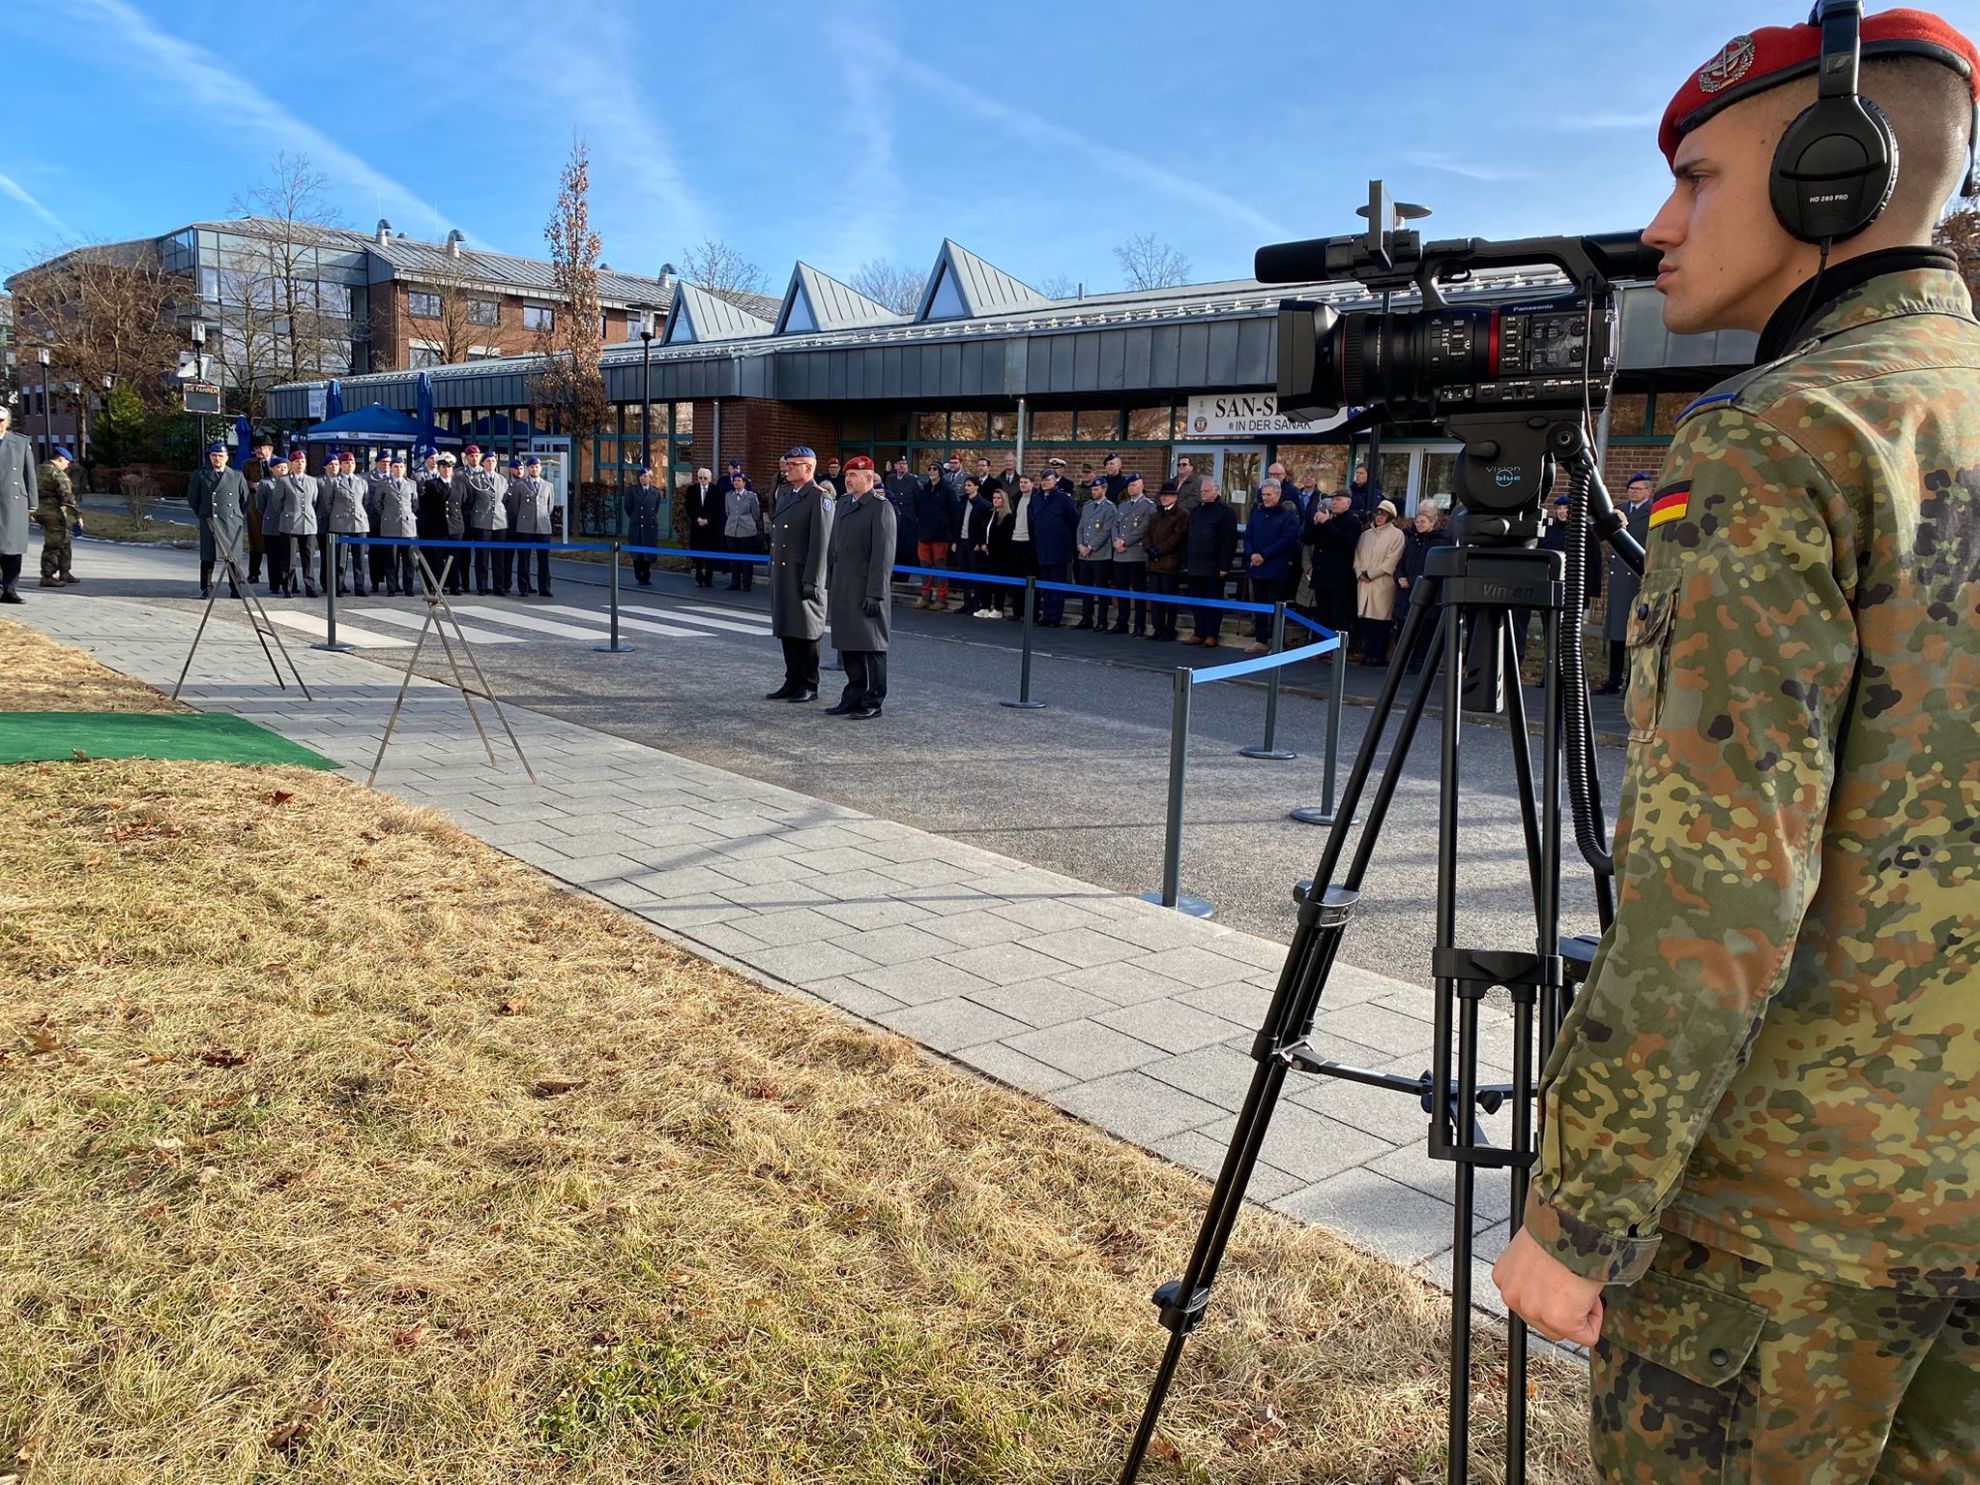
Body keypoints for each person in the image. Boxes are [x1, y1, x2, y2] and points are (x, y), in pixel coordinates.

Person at [1490, 13, 1980, 1483]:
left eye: (1696, 179)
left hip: (1785, 1239)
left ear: (1833, 173)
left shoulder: (1785, 436)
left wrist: (1577, 1213)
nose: (1658, 227)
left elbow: (1721, 890)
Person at [825, 456, 895, 719]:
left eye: (853, 475)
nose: (848, 479)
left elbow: (883, 555)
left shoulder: (880, 508)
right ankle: (853, 694)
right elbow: (834, 545)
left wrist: (876, 592)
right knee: (848, 643)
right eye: (847, 475)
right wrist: (831, 580)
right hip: (844, 584)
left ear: (869, 478)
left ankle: (873, 700)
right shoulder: (844, 503)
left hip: (866, 587)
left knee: (872, 645)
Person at [766, 446, 831, 702]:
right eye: (787, 464)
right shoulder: (786, 494)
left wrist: (813, 579)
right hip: (785, 573)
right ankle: (792, 679)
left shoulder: (819, 498)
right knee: (787, 627)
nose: (787, 469)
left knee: (806, 630)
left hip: (803, 574)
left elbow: (821, 544)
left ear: (809, 467)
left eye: (793, 465)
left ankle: (808, 683)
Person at [1593, 473, 1654, 694]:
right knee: (1617, 632)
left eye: (1638, 489)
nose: (1633, 492)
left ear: (1648, 491)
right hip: (1618, 576)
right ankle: (1614, 678)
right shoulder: (1619, 511)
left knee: (1635, 631)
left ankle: (1632, 682)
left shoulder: (1653, 513)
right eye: (1631, 489)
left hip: (1637, 576)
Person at [1240, 477, 1301, 653]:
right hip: (1256, 566)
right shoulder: (1257, 512)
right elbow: (1248, 535)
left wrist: (1264, 555)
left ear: (1278, 495)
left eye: (1269, 495)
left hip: (1276, 568)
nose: (1265, 498)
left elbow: (1287, 539)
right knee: (1259, 606)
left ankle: (1276, 642)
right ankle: (1260, 640)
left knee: (1276, 607)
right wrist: (1252, 553)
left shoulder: (1288, 515)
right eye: (1263, 494)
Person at [186, 441, 252, 598]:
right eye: (214, 455)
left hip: (231, 522)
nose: (217, 459)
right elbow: (193, 499)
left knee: (232, 557)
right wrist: (204, 513)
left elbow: (245, 499)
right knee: (208, 556)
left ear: (227, 457)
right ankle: (206, 588)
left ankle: (236, 588)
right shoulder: (201, 475)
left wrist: (236, 515)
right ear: (210, 457)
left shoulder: (237, 476)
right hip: (210, 521)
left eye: (221, 456)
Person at [1395, 502, 1452, 674]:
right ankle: (1407, 662)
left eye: (1423, 522)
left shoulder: (1440, 542)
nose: (1419, 524)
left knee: (1424, 631)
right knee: (1406, 629)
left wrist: (1412, 580)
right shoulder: (1412, 541)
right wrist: (1399, 577)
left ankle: (1420, 663)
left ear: (1432, 522)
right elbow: (1402, 562)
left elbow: (1434, 569)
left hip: (1427, 593)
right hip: (1407, 593)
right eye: (1417, 521)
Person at [1181, 477, 1236, 647]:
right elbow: (1188, 536)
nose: (1203, 494)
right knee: (1196, 601)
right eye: (1202, 491)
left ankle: (1212, 634)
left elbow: (1229, 541)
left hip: (1214, 566)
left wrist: (1224, 566)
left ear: (1216, 491)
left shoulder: (1225, 512)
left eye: (1206, 491)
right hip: (1195, 564)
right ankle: (1199, 632)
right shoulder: (1196, 511)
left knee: (1213, 601)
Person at [1305, 491, 1362, 652]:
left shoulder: (1352, 521)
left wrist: (1327, 523)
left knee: (1339, 616)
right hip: (1322, 576)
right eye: (1333, 500)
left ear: (1348, 503)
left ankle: (1339, 649)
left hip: (1339, 579)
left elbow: (1346, 542)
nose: (1334, 502)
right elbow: (1307, 539)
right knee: (1321, 614)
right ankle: (1320, 647)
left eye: (1338, 499)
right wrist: (1315, 523)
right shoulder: (1328, 519)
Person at [1352, 499, 1405, 665]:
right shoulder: (1365, 535)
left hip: (1383, 584)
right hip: (1364, 583)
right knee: (1367, 620)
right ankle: (1368, 653)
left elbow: (1392, 560)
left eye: (1383, 514)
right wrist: (1359, 573)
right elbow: (1357, 556)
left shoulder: (1397, 535)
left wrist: (1372, 574)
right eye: (1378, 514)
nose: (1379, 517)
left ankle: (1379, 655)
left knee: (1381, 621)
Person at [267, 448, 320, 598]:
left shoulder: (312, 481)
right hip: (289, 523)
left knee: (308, 558)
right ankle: (288, 587)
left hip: (308, 524)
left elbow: (314, 501)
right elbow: (277, 502)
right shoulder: (284, 481)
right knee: (289, 559)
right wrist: (287, 514)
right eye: (296, 462)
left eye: (302, 461)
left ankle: (310, 587)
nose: (300, 464)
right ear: (291, 464)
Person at [1029, 467, 1078, 627]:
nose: (1045, 483)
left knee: (1057, 585)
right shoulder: (1036, 499)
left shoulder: (1063, 500)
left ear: (1055, 481)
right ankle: (1047, 615)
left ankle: (1055, 617)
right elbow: (1033, 522)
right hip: (1043, 549)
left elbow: (1073, 522)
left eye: (1048, 480)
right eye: (1043, 480)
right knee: (1045, 585)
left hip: (1059, 549)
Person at [320, 449, 372, 597]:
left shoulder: (361, 482)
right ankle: (338, 587)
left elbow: (366, 501)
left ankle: (359, 587)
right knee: (340, 560)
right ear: (341, 465)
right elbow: (327, 503)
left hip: (359, 523)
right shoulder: (334, 482)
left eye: (352, 463)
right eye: (346, 463)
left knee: (359, 559)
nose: (350, 465)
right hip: (340, 523)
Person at [1144, 479, 1188, 641]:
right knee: (1156, 598)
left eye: (1168, 495)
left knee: (1169, 598)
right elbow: (1147, 534)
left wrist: (1158, 550)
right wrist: (1149, 548)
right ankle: (1158, 628)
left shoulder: (1181, 514)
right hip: (1154, 563)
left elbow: (1177, 537)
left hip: (1170, 563)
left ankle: (1169, 629)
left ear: (1175, 497)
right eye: (1163, 495)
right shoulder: (1156, 515)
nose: (1164, 498)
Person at [1111, 472, 1154, 635]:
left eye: (1134, 485)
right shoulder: (1122, 505)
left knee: (1138, 590)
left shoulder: (1148, 505)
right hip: (1120, 554)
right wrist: (1116, 541)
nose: (1131, 488)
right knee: (1121, 590)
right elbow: (1115, 525)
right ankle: (1121, 621)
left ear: (1142, 486)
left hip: (1135, 553)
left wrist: (1125, 541)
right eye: (1129, 485)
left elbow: (1144, 528)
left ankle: (1139, 625)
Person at [912, 463, 959, 609]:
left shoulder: (947, 490)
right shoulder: (925, 489)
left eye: (934, 469)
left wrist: (953, 536)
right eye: (929, 469)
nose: (931, 471)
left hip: (940, 536)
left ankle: (941, 598)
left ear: (940, 472)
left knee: (940, 566)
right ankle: (925, 596)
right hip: (924, 534)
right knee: (924, 566)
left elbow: (955, 514)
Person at [372, 455, 420, 596]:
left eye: (401, 467)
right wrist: (386, 515)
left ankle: (408, 588)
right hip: (390, 526)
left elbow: (415, 504)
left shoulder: (411, 484)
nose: (399, 469)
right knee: (391, 560)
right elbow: (377, 502)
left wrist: (408, 515)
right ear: (391, 469)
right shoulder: (383, 484)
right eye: (396, 467)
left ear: (404, 469)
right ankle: (392, 587)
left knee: (409, 560)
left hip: (407, 527)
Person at [509, 455, 556, 597]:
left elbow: (550, 507)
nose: (534, 469)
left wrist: (542, 518)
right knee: (524, 558)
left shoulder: (548, 486)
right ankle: (524, 587)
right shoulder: (520, 485)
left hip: (543, 527)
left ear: (540, 468)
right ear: (527, 468)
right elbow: (514, 508)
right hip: (525, 526)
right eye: (531, 467)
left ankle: (545, 587)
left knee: (544, 559)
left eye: (536, 467)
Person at [34, 447, 81, 588]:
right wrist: (77, 515)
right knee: (54, 544)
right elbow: (67, 497)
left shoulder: (37, 469)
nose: (68, 465)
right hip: (53, 512)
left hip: (38, 510)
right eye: (67, 462)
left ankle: (65, 572)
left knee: (64, 539)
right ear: (60, 458)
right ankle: (48, 576)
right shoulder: (58, 474)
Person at [1074, 475, 1116, 629]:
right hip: (1084, 555)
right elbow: (1080, 528)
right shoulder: (1087, 506)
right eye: (1092, 489)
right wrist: (1080, 545)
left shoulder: (1110, 508)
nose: (1093, 492)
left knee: (1101, 589)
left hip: (1100, 555)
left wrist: (1090, 547)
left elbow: (1106, 532)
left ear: (1104, 489)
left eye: (1096, 489)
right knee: (1086, 589)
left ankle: (1102, 620)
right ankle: (1086, 618)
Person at [957, 475, 995, 616]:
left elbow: (983, 527)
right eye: (966, 485)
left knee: (975, 574)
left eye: (970, 485)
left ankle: (976, 603)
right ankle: (966, 602)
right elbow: (958, 522)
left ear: (977, 487)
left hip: (974, 544)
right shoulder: (962, 501)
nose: (967, 488)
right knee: (964, 573)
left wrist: (980, 542)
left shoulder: (984, 505)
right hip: (962, 541)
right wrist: (955, 540)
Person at [241, 437, 276, 584]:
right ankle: (254, 572)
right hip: (254, 503)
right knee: (255, 538)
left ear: (270, 449)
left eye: (262, 447)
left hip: (274, 502)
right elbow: (241, 481)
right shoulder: (248, 464)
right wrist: (251, 484)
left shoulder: (280, 462)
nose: (259, 451)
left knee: (274, 538)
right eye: (256, 448)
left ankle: (277, 575)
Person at [723, 470, 763, 591]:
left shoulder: (751, 496)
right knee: (734, 559)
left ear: (744, 483)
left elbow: (756, 514)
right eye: (735, 480)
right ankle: (735, 582)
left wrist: (748, 522)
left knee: (746, 560)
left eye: (739, 480)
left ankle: (746, 583)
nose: (736, 483)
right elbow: (728, 512)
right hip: (732, 531)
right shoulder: (728, 495)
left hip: (747, 531)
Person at [625, 465, 664, 587]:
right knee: (637, 553)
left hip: (649, 527)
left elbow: (655, 509)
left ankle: (646, 575)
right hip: (637, 526)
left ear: (650, 478)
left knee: (648, 553)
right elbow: (628, 507)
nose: (643, 478)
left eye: (645, 476)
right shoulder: (632, 491)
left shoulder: (655, 492)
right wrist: (636, 518)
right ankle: (639, 576)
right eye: (641, 476)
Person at [1003, 472, 1037, 616]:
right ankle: (1017, 612)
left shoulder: (1036, 499)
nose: (1022, 485)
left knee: (1029, 579)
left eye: (1026, 482)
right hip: (1015, 541)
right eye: (1021, 482)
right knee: (1016, 579)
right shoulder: (1017, 499)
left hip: (1028, 543)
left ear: (1032, 484)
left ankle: (1030, 613)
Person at [883, 457, 920, 582]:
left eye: (905, 463)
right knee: (893, 548)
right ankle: (893, 574)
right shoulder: (890, 478)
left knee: (906, 550)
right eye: (900, 463)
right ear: (895, 466)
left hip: (907, 521)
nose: (903, 466)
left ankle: (904, 577)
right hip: (893, 519)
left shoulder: (912, 480)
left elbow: (918, 500)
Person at [685, 466, 723, 587]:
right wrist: (697, 519)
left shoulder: (716, 490)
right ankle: (699, 577)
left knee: (710, 555)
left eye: (705, 478)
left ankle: (708, 578)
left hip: (710, 528)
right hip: (697, 527)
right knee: (697, 555)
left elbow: (719, 509)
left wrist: (708, 520)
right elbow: (688, 507)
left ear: (710, 479)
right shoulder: (692, 490)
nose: (702, 480)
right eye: (700, 478)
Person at [984, 487, 1017, 617]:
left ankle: (998, 608)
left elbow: (1005, 538)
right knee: (987, 581)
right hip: (988, 553)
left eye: (999, 498)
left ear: (1004, 500)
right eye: (994, 498)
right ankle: (985, 606)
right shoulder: (990, 513)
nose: (996, 500)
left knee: (999, 583)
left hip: (1001, 555)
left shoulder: (1007, 516)